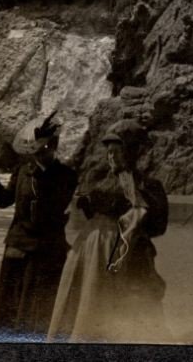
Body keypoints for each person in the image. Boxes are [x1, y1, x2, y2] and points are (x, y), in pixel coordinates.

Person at [47, 119, 168, 343]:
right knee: (89, 298)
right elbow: (86, 210)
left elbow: (159, 226)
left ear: (132, 151)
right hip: (94, 247)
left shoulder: (148, 185)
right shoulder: (99, 179)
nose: (111, 156)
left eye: (117, 151)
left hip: (126, 250)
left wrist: (139, 209)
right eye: (108, 152)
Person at [0, 111, 78, 342]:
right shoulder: (22, 171)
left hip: (46, 248)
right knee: (9, 303)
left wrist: (39, 182)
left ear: (54, 146)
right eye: (38, 149)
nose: (40, 154)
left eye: (45, 149)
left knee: (36, 306)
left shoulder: (66, 175)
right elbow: (5, 201)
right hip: (16, 245)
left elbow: (51, 211)